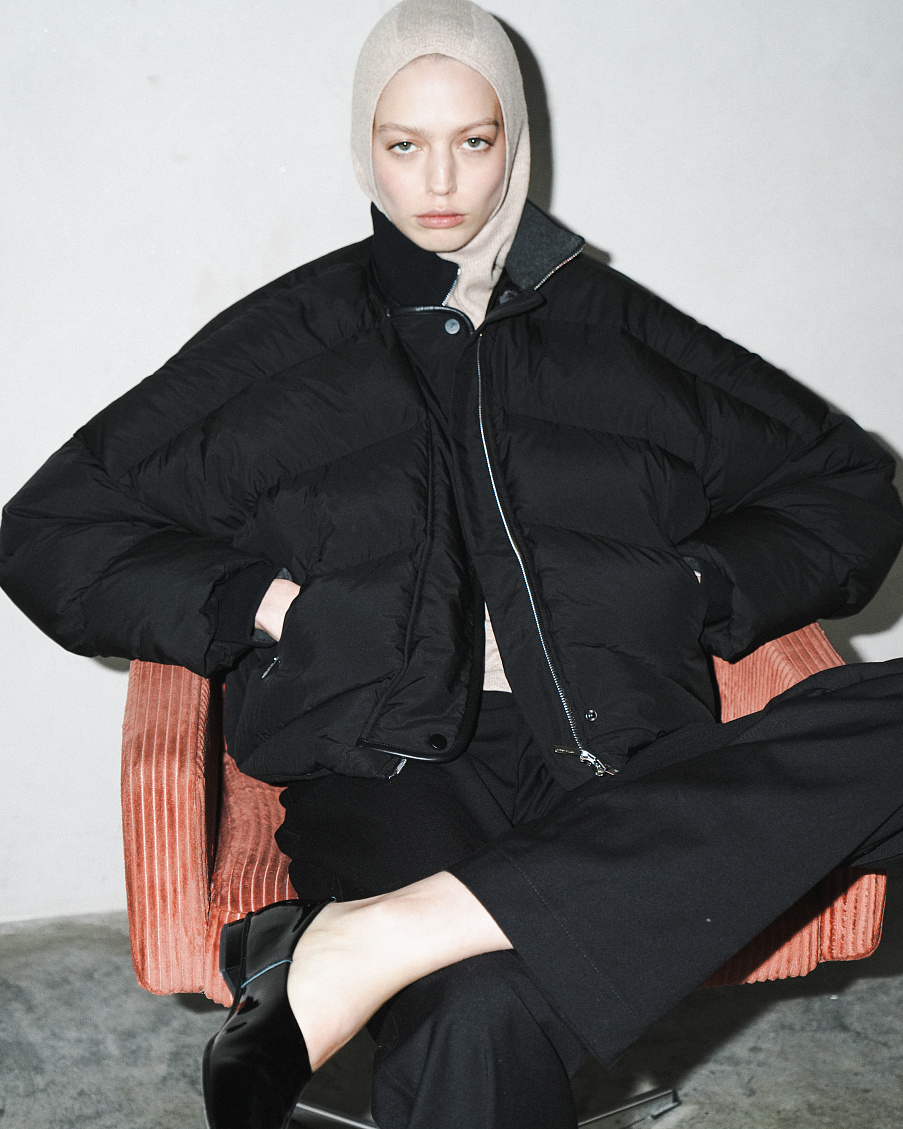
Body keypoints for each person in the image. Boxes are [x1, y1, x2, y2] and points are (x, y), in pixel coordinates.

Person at [2, 2, 903, 1128]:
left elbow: (848, 491)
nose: (440, 180)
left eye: (473, 141)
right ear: (363, 147)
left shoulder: (621, 332)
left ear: (513, 139)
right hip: (388, 764)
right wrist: (265, 606)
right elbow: (51, 530)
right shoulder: (290, 339)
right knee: (475, 1009)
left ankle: (364, 941)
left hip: (616, 747)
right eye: (404, 143)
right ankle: (408, 936)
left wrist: (694, 589)